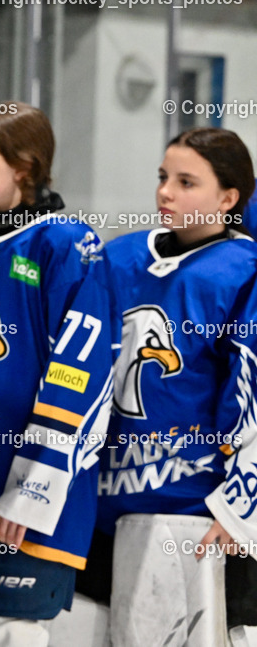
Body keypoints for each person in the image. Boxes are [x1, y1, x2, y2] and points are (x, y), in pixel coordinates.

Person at [76, 126, 257, 633]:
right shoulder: (118, 257)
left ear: (228, 198)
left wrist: (239, 511)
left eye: (186, 182)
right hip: (98, 511)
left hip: (192, 518)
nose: (165, 192)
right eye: (162, 177)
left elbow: (250, 400)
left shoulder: (244, 274)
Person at [0, 102, 110, 646]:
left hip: (31, 489)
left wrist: (32, 489)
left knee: (13, 630)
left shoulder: (66, 244)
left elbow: (81, 375)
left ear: (22, 167)